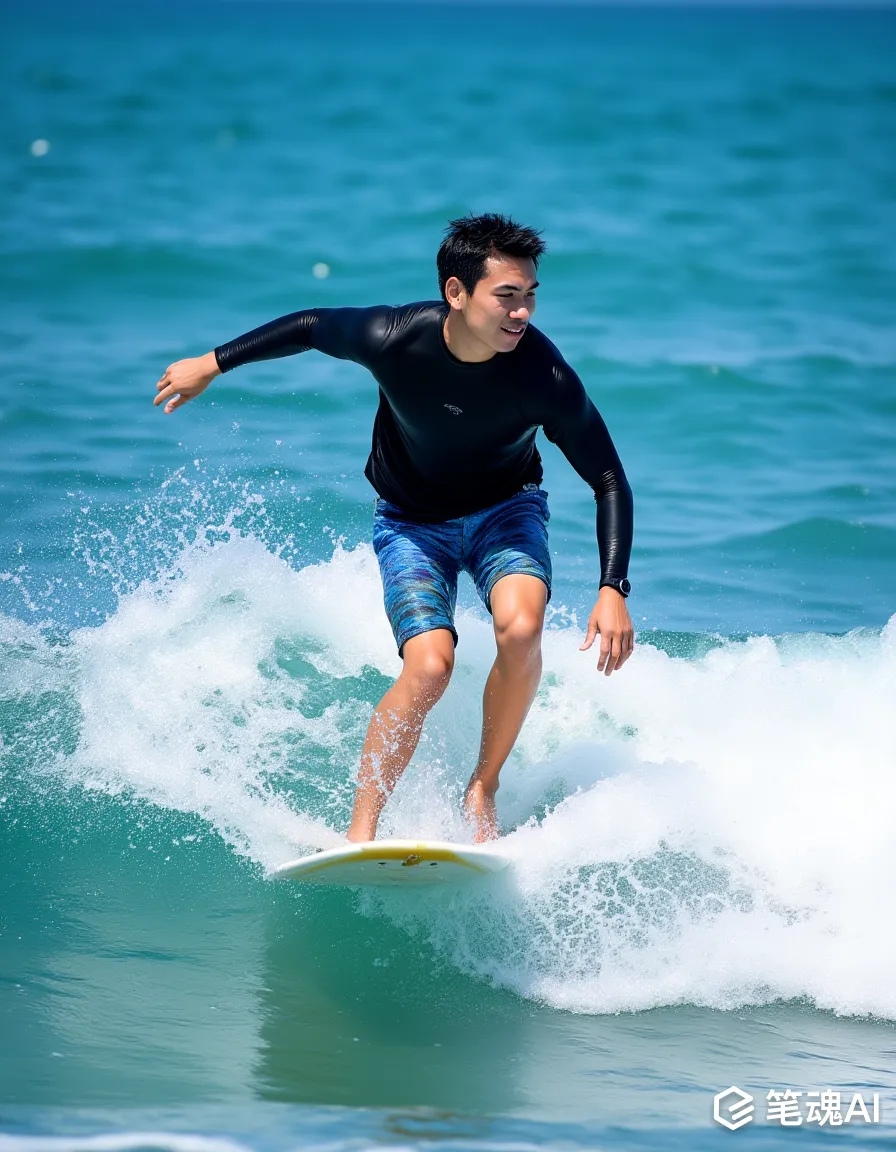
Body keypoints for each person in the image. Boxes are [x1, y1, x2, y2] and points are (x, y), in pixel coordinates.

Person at [153, 213, 634, 843]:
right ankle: (363, 829)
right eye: (506, 296)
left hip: (506, 511)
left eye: (530, 295)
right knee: (430, 668)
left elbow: (608, 477)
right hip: (412, 521)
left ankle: (482, 787)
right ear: (456, 292)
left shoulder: (544, 377)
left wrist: (612, 587)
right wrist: (212, 363)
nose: (522, 313)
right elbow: (311, 325)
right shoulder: (394, 338)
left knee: (522, 629)